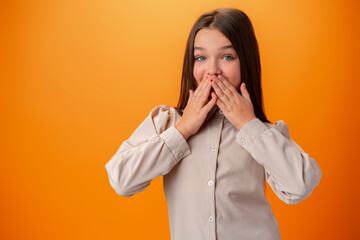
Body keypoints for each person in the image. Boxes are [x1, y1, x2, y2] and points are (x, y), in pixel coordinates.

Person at [105, 8, 322, 240]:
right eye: (201, 57)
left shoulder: (263, 133)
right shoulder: (167, 122)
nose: (212, 70)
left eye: (227, 57)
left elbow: (299, 186)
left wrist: (249, 124)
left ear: (245, 62)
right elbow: (121, 180)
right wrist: (183, 129)